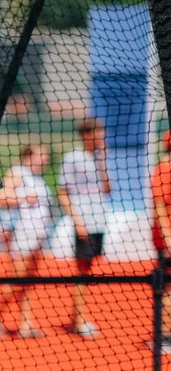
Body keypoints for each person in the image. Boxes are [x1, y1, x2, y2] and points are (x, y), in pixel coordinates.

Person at [0, 143, 54, 338]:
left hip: (38, 236)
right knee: (17, 279)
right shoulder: (18, 172)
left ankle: (26, 324)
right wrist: (25, 198)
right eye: (41, 155)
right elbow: (1, 197)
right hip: (21, 235)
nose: (45, 159)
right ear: (28, 156)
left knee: (28, 282)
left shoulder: (39, 179)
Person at [58, 117, 111, 338]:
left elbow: (108, 189)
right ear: (87, 135)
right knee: (81, 271)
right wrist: (77, 221)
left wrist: (102, 161)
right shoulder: (73, 158)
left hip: (99, 221)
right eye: (98, 133)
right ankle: (78, 321)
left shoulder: (98, 157)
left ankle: (77, 318)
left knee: (88, 270)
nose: (101, 137)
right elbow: (62, 191)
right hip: (84, 223)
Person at [150, 129, 171, 353]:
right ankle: (164, 336)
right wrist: (168, 238)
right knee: (166, 287)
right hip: (166, 238)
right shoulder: (164, 168)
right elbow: (159, 206)